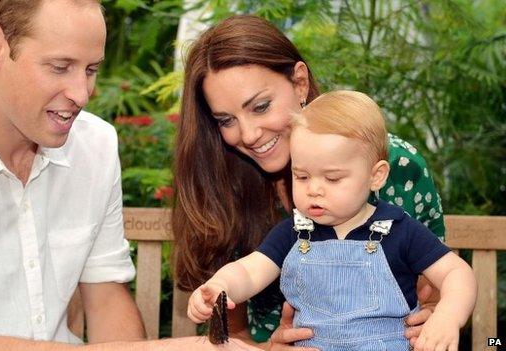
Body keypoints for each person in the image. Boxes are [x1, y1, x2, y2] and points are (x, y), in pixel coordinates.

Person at [0, 1, 260, 350]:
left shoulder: (94, 145)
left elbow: (106, 295)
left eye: (91, 69)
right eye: (60, 67)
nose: (82, 93)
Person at [172, 14, 447, 349]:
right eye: (226, 120)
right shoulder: (224, 181)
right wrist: (268, 348)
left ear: (299, 83)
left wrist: (436, 312)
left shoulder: (393, 164)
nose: (248, 134)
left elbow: (438, 283)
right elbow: (233, 330)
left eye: (260, 106)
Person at [187, 90, 477, 351]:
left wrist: (447, 317)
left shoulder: (398, 230)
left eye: (333, 178)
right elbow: (249, 272)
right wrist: (220, 286)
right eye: (301, 176)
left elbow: (456, 273)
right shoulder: (295, 232)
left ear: (376, 176)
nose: (314, 189)